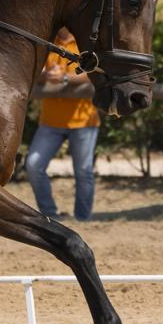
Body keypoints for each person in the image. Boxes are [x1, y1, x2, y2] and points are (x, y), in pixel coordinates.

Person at [25, 26, 100, 221]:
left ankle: (83, 219)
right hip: (50, 120)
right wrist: (46, 75)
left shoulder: (86, 41)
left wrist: (65, 77)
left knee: (83, 172)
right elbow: (33, 69)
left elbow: (94, 73)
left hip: (84, 120)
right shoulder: (46, 40)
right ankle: (49, 215)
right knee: (33, 165)